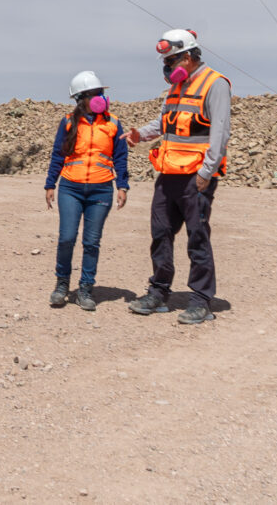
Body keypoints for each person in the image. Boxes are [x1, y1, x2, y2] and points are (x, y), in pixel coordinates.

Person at [123, 29, 231, 324]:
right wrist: (139, 134)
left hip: (196, 176)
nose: (167, 67)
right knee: (160, 233)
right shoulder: (176, 87)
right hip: (168, 173)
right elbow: (163, 122)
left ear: (188, 55)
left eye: (171, 60)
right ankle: (158, 291)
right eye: (165, 61)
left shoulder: (215, 84)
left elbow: (220, 135)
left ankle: (200, 299)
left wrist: (206, 174)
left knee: (197, 237)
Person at [44, 71, 129, 311]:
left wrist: (122, 185)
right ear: (81, 98)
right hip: (70, 188)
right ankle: (62, 286)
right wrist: (50, 184)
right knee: (67, 238)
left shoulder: (112, 122)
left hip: (101, 191)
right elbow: (58, 154)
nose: (100, 97)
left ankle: (85, 289)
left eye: (101, 93)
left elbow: (120, 156)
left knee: (92, 242)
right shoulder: (68, 121)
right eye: (95, 94)